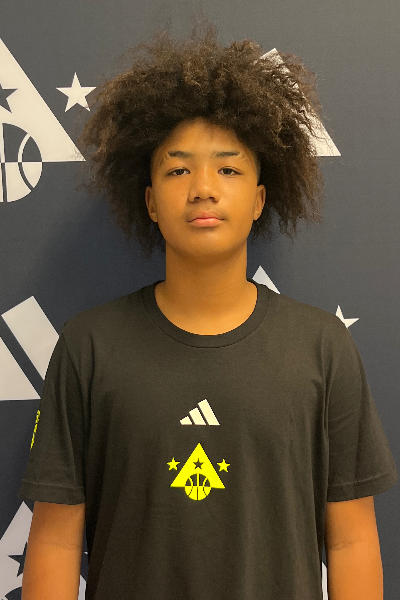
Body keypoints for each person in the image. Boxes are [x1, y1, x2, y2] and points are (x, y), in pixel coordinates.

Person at [19, 16, 398, 600]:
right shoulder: (89, 346)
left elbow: (350, 541)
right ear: (149, 201)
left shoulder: (323, 348)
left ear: (259, 199)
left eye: (228, 168)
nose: (203, 187)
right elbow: (55, 541)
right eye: (178, 169)